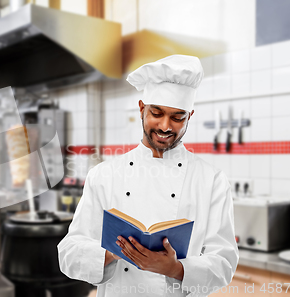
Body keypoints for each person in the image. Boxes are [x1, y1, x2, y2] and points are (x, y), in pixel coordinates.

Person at [57, 54, 239, 297]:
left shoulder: (212, 180)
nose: (165, 126)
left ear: (190, 117)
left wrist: (176, 269)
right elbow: (69, 253)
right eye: (157, 112)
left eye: (177, 117)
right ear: (142, 108)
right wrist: (113, 251)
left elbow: (224, 262)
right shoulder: (104, 175)